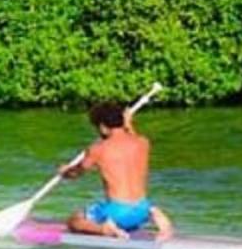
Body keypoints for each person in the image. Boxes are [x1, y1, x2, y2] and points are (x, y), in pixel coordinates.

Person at [59, 101, 174, 241]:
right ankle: (155, 215)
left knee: (74, 221)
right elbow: (132, 136)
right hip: (142, 210)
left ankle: (105, 229)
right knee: (141, 207)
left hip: (117, 213)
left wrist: (65, 171)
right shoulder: (143, 143)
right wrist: (128, 124)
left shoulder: (97, 149)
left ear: (102, 127)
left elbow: (76, 173)